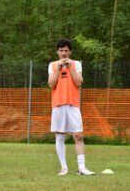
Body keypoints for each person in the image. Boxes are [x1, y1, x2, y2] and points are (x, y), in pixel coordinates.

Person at [48, 38, 95, 176]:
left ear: (70, 52)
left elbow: (79, 82)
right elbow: (51, 84)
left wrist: (70, 67)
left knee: (78, 135)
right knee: (60, 136)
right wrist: (59, 68)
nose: (64, 53)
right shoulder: (52, 65)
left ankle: (82, 168)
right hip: (58, 105)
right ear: (57, 52)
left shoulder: (76, 64)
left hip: (73, 105)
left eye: (66, 51)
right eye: (61, 50)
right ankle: (64, 168)